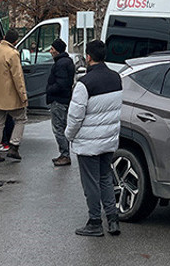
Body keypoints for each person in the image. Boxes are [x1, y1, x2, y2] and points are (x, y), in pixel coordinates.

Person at [67, 40, 123, 237]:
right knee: (105, 178)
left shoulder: (84, 84)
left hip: (89, 143)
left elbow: (75, 116)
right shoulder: (116, 78)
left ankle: (94, 222)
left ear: (88, 57)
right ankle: (113, 220)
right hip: (108, 140)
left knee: (90, 183)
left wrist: (69, 135)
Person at [0, 29, 29, 162]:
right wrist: (23, 96)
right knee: (21, 119)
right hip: (11, 96)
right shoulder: (13, 53)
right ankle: (14, 146)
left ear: (3, 37)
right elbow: (18, 77)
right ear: (15, 41)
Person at [46, 38, 76, 167]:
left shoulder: (60, 64)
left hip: (58, 100)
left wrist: (49, 90)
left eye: (52, 49)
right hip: (64, 99)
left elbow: (61, 83)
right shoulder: (66, 62)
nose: (50, 51)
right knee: (62, 127)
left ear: (57, 50)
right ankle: (64, 153)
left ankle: (65, 155)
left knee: (58, 128)